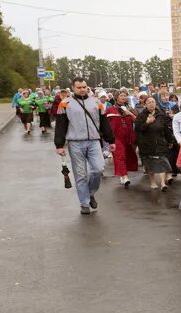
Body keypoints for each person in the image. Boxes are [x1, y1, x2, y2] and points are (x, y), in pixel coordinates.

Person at [54, 77, 116, 215]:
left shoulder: (96, 102)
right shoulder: (65, 104)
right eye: (79, 87)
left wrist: (111, 140)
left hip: (94, 141)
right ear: (73, 88)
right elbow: (60, 125)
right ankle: (84, 203)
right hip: (75, 143)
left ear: (87, 87)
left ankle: (90, 192)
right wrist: (59, 144)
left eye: (84, 87)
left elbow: (104, 122)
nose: (82, 89)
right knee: (81, 175)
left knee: (98, 169)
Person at [136, 96, 176, 191]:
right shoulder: (141, 115)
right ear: (145, 104)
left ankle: (162, 183)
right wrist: (147, 123)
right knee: (150, 164)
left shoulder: (161, 115)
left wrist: (170, 140)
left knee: (162, 161)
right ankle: (153, 182)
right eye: (149, 102)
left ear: (156, 103)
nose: (151, 103)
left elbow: (166, 129)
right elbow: (138, 129)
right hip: (146, 144)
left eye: (153, 101)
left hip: (160, 142)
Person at [105, 89, 139, 187]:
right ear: (116, 97)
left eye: (125, 95)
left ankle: (123, 173)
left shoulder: (130, 109)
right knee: (120, 155)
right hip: (116, 137)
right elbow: (105, 124)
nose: (123, 97)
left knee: (128, 156)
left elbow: (137, 121)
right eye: (121, 95)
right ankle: (124, 176)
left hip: (128, 137)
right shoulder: (110, 110)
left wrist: (130, 113)